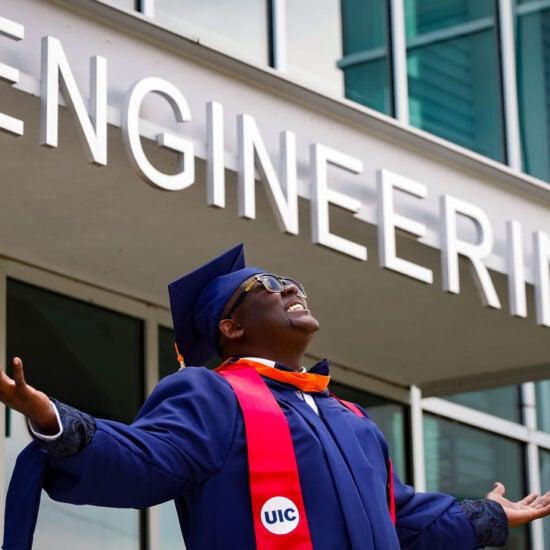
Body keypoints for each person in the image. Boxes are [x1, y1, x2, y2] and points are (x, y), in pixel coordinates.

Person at [1, 243, 550, 549]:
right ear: (232, 330)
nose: (291, 288)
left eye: (293, 283)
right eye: (266, 286)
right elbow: (148, 458)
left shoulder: (351, 417)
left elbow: (400, 518)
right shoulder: (213, 393)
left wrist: (486, 516)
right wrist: (54, 419)